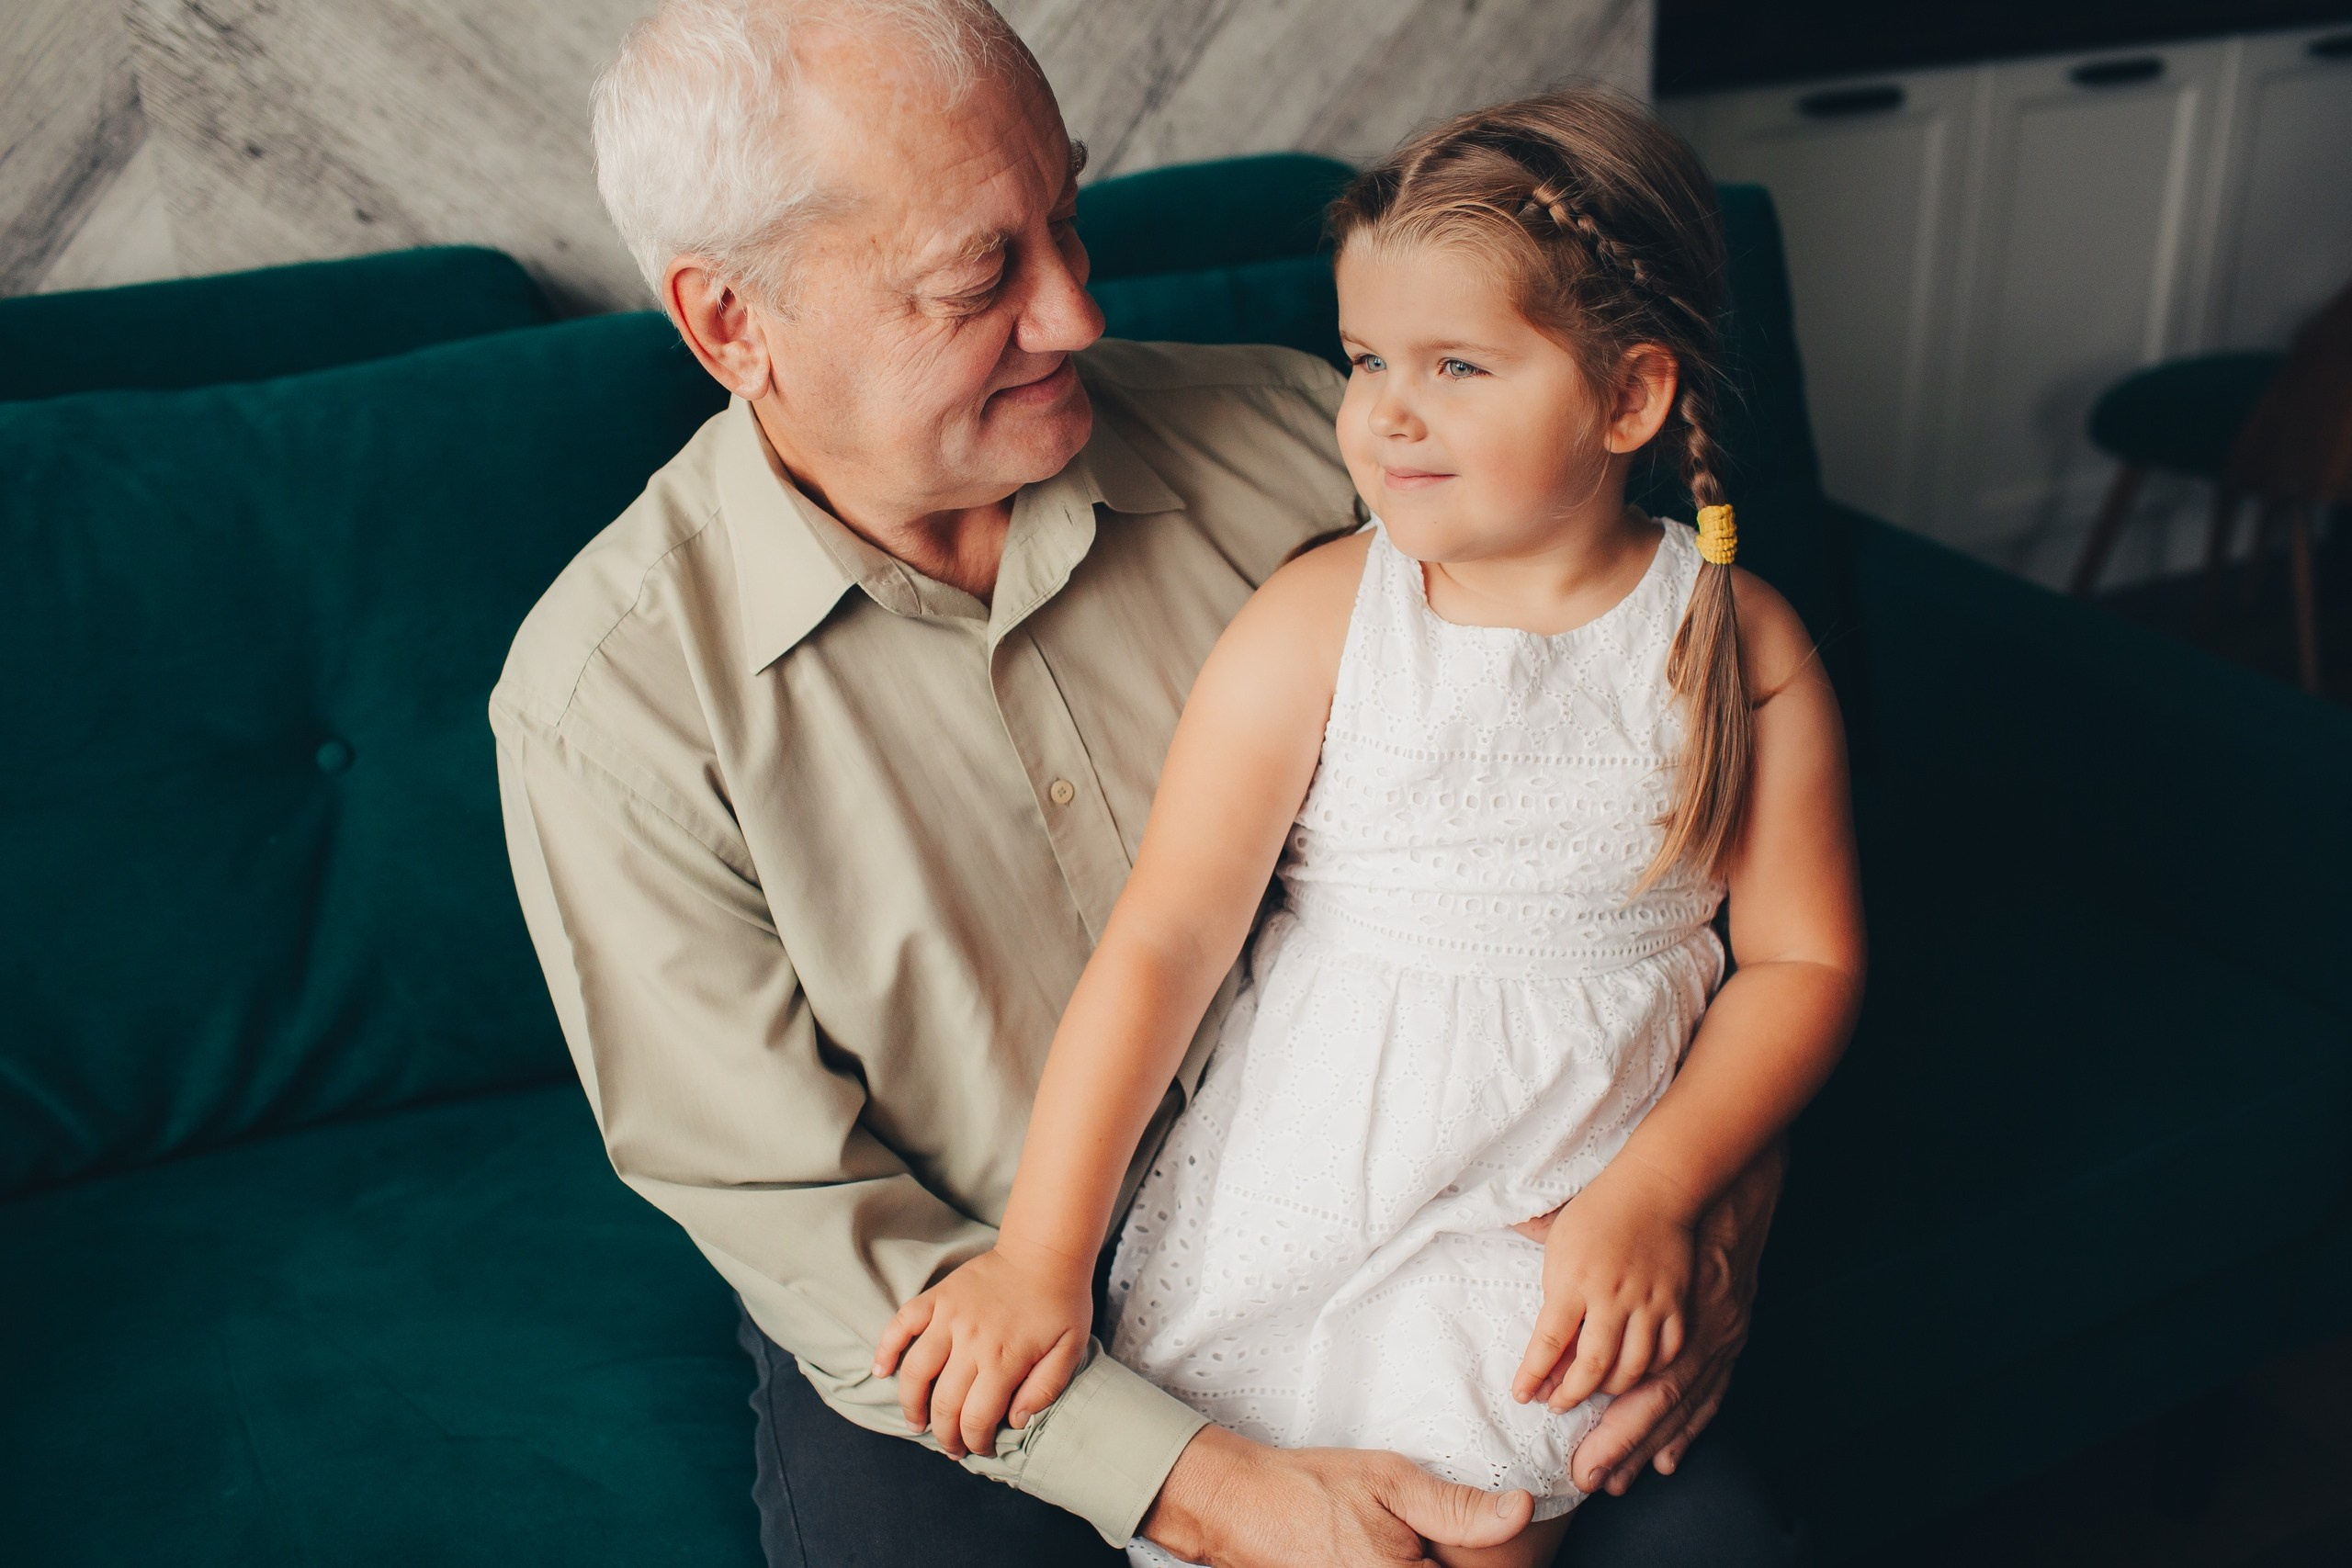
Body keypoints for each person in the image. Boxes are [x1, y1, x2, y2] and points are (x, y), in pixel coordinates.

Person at [492, 2, 1809, 1562]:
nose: (1075, 313)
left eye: (1070, 219)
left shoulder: (1316, 458)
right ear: (732, 325)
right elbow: (791, 1212)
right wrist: (1220, 1491)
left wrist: (1710, 1218)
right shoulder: (611, 705)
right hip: (974, 1293)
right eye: (982, 275)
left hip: (1458, 1209)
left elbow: (1660, 878)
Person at [868, 86, 1865, 1568]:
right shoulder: (1324, 613)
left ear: (1629, 397)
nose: (1385, 412)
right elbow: (1165, 939)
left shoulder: (1733, 639)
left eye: (1456, 364)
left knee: (1482, 1514)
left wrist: (1657, 1197)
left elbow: (1804, 965)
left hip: (1547, 1204)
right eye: (1365, 361)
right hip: (1321, 1173)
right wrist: (1039, 1258)